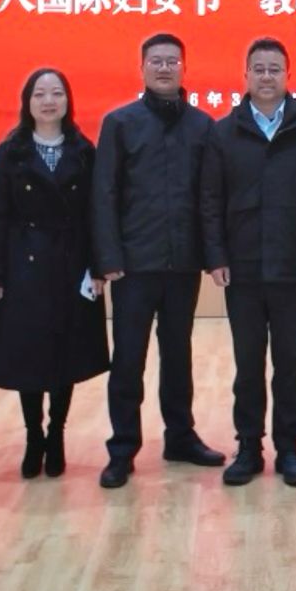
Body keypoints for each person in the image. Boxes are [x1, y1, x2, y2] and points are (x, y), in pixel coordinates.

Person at [199, 37, 296, 488]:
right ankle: (249, 447)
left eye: (274, 69)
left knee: (288, 365)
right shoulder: (224, 131)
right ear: (245, 76)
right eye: (258, 69)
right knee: (248, 364)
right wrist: (216, 256)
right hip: (242, 268)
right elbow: (211, 200)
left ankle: (289, 449)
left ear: (287, 75)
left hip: (294, 268)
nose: (266, 76)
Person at [93, 33, 225, 488]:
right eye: (156, 61)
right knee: (128, 358)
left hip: (183, 262)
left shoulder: (202, 125)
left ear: (184, 68)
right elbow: (104, 194)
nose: (164, 68)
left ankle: (180, 437)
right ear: (142, 68)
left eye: (172, 61)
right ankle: (122, 448)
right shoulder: (120, 123)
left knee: (178, 354)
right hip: (133, 264)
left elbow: (210, 196)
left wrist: (212, 256)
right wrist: (107, 257)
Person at [0, 68, 109, 480]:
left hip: (72, 264)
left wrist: (99, 266)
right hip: (24, 266)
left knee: (66, 353)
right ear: (28, 102)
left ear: (68, 100)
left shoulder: (84, 150)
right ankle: (34, 434)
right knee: (28, 353)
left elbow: (95, 214)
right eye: (40, 94)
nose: (49, 101)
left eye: (56, 93)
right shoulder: (11, 151)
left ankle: (57, 433)